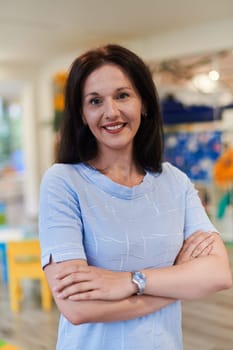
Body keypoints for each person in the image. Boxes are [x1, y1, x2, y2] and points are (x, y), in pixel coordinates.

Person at [38, 44, 232, 350]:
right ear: (82, 114)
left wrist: (131, 281)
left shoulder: (175, 181)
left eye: (122, 95)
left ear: (143, 102)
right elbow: (77, 308)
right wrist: (178, 280)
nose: (111, 112)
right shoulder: (63, 182)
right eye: (95, 101)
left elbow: (218, 274)